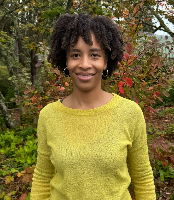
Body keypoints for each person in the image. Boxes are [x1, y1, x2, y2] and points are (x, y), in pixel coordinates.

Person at [30, 12, 156, 200]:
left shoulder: (130, 113)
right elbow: (42, 177)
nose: (85, 64)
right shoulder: (49, 116)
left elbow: (143, 179)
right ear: (66, 61)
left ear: (106, 61)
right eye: (76, 54)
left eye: (94, 55)